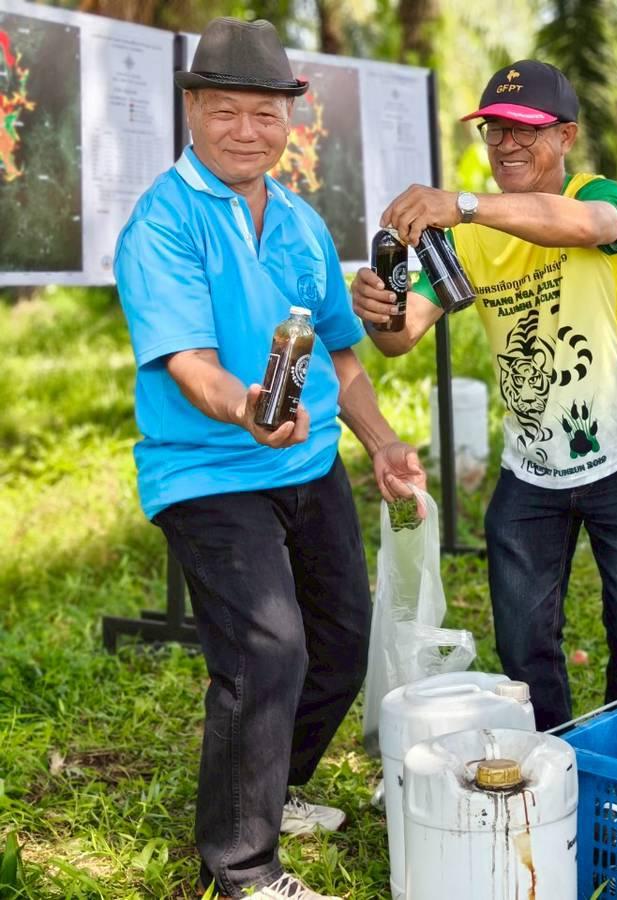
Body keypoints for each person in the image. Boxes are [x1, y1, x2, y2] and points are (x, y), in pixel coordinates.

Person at [114, 18, 425, 900]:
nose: (246, 131)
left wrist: (384, 443)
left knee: (341, 641)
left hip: (308, 462)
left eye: (265, 114)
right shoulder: (162, 224)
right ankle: (242, 870)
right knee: (266, 649)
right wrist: (249, 406)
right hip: (207, 470)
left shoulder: (297, 219)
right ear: (191, 111)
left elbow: (342, 352)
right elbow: (187, 365)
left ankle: (270, 789)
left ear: (290, 117)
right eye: (226, 112)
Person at [351, 59, 617, 731]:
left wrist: (463, 204)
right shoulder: (468, 239)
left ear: (566, 138)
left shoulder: (602, 195)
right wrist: (376, 308)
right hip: (530, 471)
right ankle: (554, 767)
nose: (506, 144)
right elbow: (401, 336)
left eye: (525, 130)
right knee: (524, 651)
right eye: (494, 130)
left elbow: (586, 226)